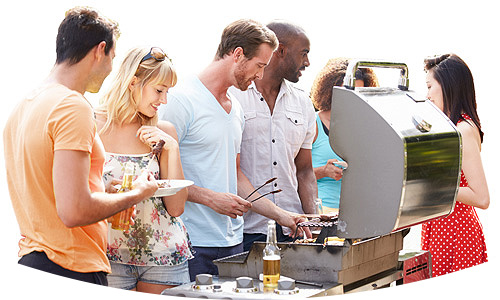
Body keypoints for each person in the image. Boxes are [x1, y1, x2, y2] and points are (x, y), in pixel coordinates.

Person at [3, 7, 158, 285]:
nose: (112, 68)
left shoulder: (25, 104)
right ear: (100, 50)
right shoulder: (72, 106)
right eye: (113, 56)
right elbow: (74, 210)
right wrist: (137, 193)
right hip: (69, 265)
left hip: (33, 262)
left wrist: (101, 191)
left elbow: (50, 191)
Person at [159, 19, 308, 281]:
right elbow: (159, 178)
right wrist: (211, 198)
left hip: (232, 243)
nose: (260, 75)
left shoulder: (236, 108)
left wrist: (285, 216)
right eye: (259, 65)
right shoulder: (180, 100)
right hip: (190, 241)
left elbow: (237, 176)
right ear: (237, 54)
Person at [96, 46, 193, 293]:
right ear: (132, 83)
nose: (164, 100)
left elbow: (176, 207)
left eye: (167, 92)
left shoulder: (165, 131)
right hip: (108, 254)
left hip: (163, 256)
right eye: (159, 90)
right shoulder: (91, 124)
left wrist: (170, 148)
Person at [229, 20, 317, 251]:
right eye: (304, 53)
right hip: (244, 230)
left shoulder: (303, 102)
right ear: (281, 51)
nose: (307, 62)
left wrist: (314, 221)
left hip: (293, 230)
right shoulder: (232, 97)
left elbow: (305, 169)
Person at [421, 53, 489, 276]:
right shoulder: (452, 126)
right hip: (442, 229)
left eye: (430, 86)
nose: (427, 94)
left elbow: (481, 197)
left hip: (456, 233)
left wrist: (435, 188)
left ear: (448, 86)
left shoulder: (463, 130)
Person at [310, 58, 378, 213]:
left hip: (357, 210)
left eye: (358, 93)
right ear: (330, 90)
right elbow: (293, 174)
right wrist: (324, 171)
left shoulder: (365, 127)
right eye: (346, 91)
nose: (352, 98)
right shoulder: (313, 123)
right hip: (323, 211)